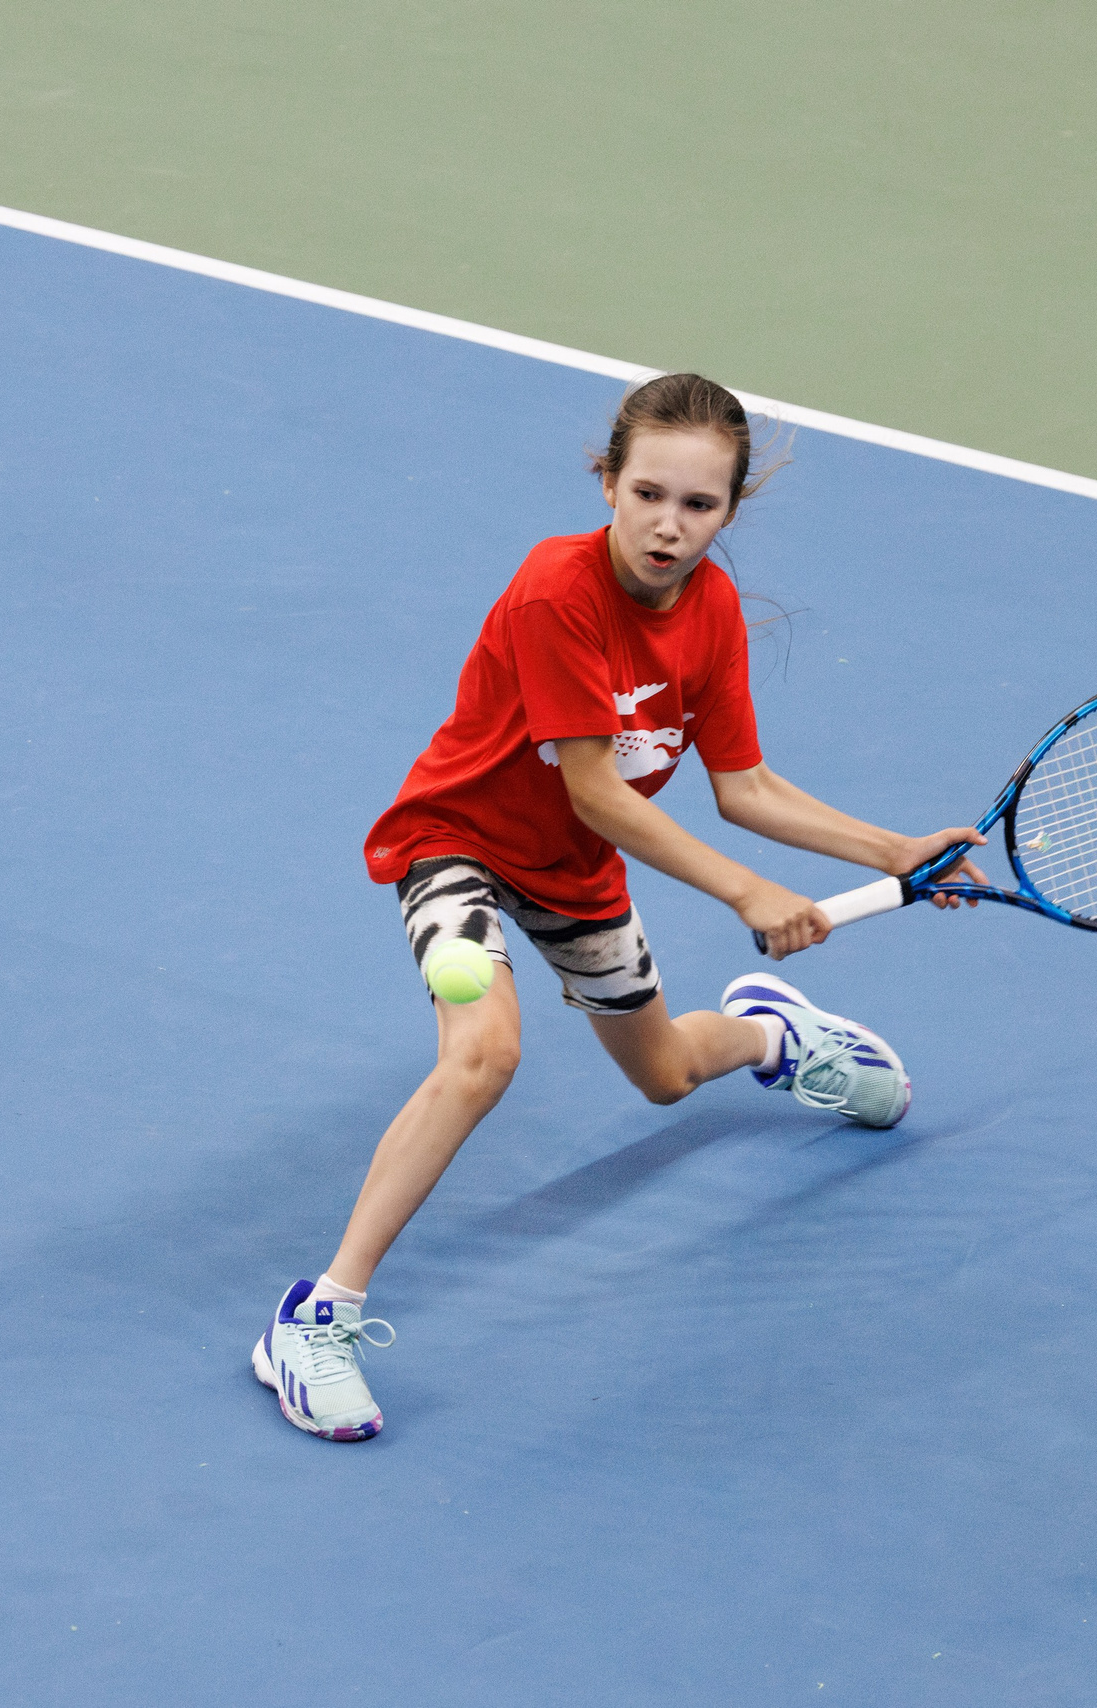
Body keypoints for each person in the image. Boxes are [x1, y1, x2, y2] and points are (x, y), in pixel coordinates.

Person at [252, 373, 986, 1442]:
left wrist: (894, 849)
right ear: (607, 481)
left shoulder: (713, 609)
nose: (668, 526)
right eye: (647, 494)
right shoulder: (556, 589)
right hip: (458, 841)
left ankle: (772, 1035)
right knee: (483, 1054)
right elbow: (594, 785)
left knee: (667, 1076)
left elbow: (745, 785)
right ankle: (316, 1318)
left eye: (698, 505)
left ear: (728, 511)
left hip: (577, 873)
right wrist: (746, 889)